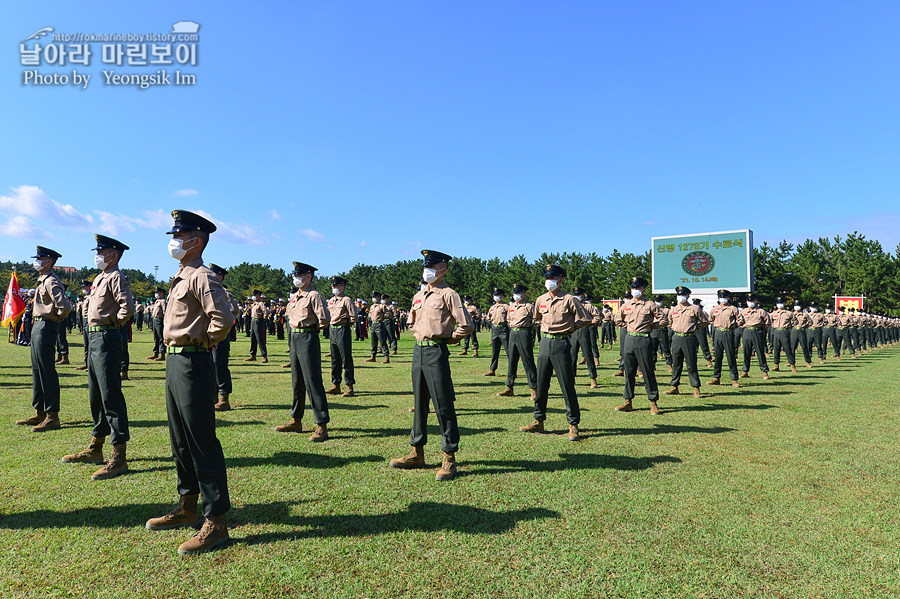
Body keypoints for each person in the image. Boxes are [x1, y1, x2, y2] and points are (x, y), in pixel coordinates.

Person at [144, 210, 234, 556]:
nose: (174, 242)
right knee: (180, 438)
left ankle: (216, 520)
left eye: (179, 236)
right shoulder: (181, 276)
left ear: (195, 241)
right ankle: (188, 505)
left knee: (200, 440)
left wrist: (203, 341)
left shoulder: (202, 276)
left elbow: (223, 318)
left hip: (193, 361)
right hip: (175, 360)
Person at [390, 250, 473, 481]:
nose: (427, 271)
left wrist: (448, 339)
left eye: (432, 267)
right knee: (419, 403)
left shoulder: (449, 294)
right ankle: (417, 452)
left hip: (436, 351)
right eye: (425, 266)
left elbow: (466, 326)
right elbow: (411, 322)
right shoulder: (419, 295)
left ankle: (449, 456)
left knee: (443, 403)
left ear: (443, 270)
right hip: (418, 351)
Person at [61, 234, 135, 480]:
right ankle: (96, 447)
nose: (98, 256)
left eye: (101, 252)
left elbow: (128, 307)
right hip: (93, 339)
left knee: (110, 395)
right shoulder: (100, 278)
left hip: (106, 338)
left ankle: (119, 455)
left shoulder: (115, 277)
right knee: (96, 394)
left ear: (113, 255)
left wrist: (113, 324)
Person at [519, 264, 591, 439]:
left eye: (552, 278)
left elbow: (586, 319)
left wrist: (571, 328)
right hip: (544, 343)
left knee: (567, 385)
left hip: (561, 344)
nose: (549, 281)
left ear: (561, 279)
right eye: (547, 278)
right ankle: (538, 420)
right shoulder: (540, 299)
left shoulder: (569, 299)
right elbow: (536, 318)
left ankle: (573, 424)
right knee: (541, 384)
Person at [16, 246, 73, 431]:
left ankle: (51, 415)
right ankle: (39, 411)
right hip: (38, 325)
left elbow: (64, 306)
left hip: (46, 325)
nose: (37, 261)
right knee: (36, 370)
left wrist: (56, 317)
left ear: (48, 261)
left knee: (46, 370)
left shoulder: (51, 281)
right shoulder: (42, 280)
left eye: (40, 258)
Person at [274, 262, 331, 442]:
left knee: (312, 381)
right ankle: (296, 420)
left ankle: (321, 424)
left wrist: (311, 330)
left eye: (299, 275)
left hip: (307, 337)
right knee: (297, 380)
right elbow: (290, 316)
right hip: (295, 338)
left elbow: (325, 319)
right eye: (295, 274)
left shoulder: (314, 296)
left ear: (308, 276)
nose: (296, 278)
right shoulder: (295, 297)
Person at [207, 264, 240, 411]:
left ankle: (224, 398)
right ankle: (212, 396)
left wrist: (222, 324)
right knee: (210, 365)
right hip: (208, 335)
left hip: (220, 335)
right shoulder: (208, 291)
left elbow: (234, 310)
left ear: (219, 276)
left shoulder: (224, 293)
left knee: (220, 365)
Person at [663, 286, 706, 398]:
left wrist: (695, 327)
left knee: (691, 364)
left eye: (682, 295)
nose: (680, 297)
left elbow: (705, 321)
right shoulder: (673, 310)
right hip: (676, 338)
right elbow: (669, 322)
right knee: (676, 364)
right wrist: (674, 328)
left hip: (689, 338)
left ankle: (696, 387)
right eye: (678, 295)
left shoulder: (694, 309)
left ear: (688, 296)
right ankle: (674, 386)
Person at [497, 283, 538, 399]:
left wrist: (530, 329)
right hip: (513, 333)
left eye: (519, 292)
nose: (516, 295)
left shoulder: (529, 306)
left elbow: (537, 320)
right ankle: (509, 387)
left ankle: (534, 388)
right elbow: (508, 319)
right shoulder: (512, 306)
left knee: (527, 361)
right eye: (515, 293)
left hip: (524, 333)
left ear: (524, 294)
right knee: (511, 360)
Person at [326, 275, 357, 398]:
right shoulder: (331, 300)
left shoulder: (346, 300)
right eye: (333, 286)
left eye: (336, 285)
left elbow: (353, 316)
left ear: (342, 287)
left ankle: (349, 386)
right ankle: (336, 385)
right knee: (335, 359)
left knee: (346, 359)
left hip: (342, 329)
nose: (334, 288)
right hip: (332, 330)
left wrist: (345, 325)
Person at [707, 289, 744, 387]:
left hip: (728, 333)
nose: (722, 299)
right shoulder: (715, 309)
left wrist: (734, 326)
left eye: (724, 297)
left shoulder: (733, 309)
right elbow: (710, 320)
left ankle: (734, 379)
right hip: (718, 333)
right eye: (721, 297)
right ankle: (716, 377)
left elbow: (741, 320)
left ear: (728, 298)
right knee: (717, 356)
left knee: (731, 356)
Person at [569, 287, 599, 388]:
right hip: (573, 331)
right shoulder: (571, 304)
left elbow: (598, 316)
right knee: (572, 356)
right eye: (575, 294)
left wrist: (589, 322)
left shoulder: (588, 306)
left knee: (588, 354)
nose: (577, 296)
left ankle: (593, 378)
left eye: (579, 294)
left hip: (584, 330)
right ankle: (571, 378)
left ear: (583, 295)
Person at [739, 292, 770, 379]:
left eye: (752, 300)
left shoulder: (761, 311)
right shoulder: (743, 311)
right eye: (748, 301)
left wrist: (761, 329)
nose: (750, 302)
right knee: (746, 352)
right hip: (746, 331)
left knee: (760, 352)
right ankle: (745, 371)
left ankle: (764, 371)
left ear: (756, 301)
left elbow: (767, 323)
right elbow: (739, 322)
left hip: (757, 331)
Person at [483, 288, 510, 377]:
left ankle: (512, 370)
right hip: (494, 329)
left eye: (498, 295)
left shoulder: (506, 307)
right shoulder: (492, 307)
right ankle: (492, 370)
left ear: (502, 296)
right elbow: (488, 317)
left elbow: (510, 318)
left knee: (509, 351)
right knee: (495, 351)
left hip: (503, 329)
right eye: (495, 295)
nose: (496, 297)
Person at [770, 297, 798, 372]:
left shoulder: (789, 313)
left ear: (784, 303)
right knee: (776, 349)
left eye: (781, 303)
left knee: (788, 349)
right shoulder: (773, 313)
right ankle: (776, 365)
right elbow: (771, 322)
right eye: (778, 303)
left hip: (785, 331)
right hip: (776, 331)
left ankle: (792, 365)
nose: (780, 304)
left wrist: (789, 326)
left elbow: (795, 322)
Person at [365, 291, 390, 363]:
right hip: (373, 324)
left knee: (382, 341)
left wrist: (382, 318)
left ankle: (386, 357)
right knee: (373, 342)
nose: (374, 298)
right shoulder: (372, 306)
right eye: (373, 297)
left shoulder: (381, 306)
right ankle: (373, 357)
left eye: (375, 297)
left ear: (379, 298)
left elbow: (388, 314)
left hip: (379, 324)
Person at [245, 290, 268, 362]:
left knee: (260, 339)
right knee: (253, 338)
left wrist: (264, 319)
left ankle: (264, 356)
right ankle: (253, 355)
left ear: (259, 295)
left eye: (255, 295)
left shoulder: (261, 303)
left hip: (258, 321)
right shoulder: (254, 304)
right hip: (253, 320)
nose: (254, 296)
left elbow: (265, 312)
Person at [75, 280, 93, 371]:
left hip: (89, 319)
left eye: (85, 287)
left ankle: (91, 364)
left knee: (90, 344)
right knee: (86, 344)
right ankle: (86, 363)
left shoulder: (92, 297)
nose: (83, 289)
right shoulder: (86, 297)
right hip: (84, 319)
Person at [790, 301, 813, 368]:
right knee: (792, 347)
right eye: (795, 305)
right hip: (793, 330)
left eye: (798, 305)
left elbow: (810, 322)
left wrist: (805, 326)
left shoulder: (804, 314)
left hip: (801, 330)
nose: (797, 306)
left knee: (804, 347)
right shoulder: (791, 314)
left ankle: (808, 362)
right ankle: (791, 362)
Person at [147, 288, 167, 361]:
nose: (156, 294)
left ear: (162, 293)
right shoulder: (157, 301)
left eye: (158, 293)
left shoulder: (163, 301)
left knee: (161, 337)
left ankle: (162, 354)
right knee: (156, 337)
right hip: (154, 319)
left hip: (160, 320)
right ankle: (155, 353)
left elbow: (165, 311)